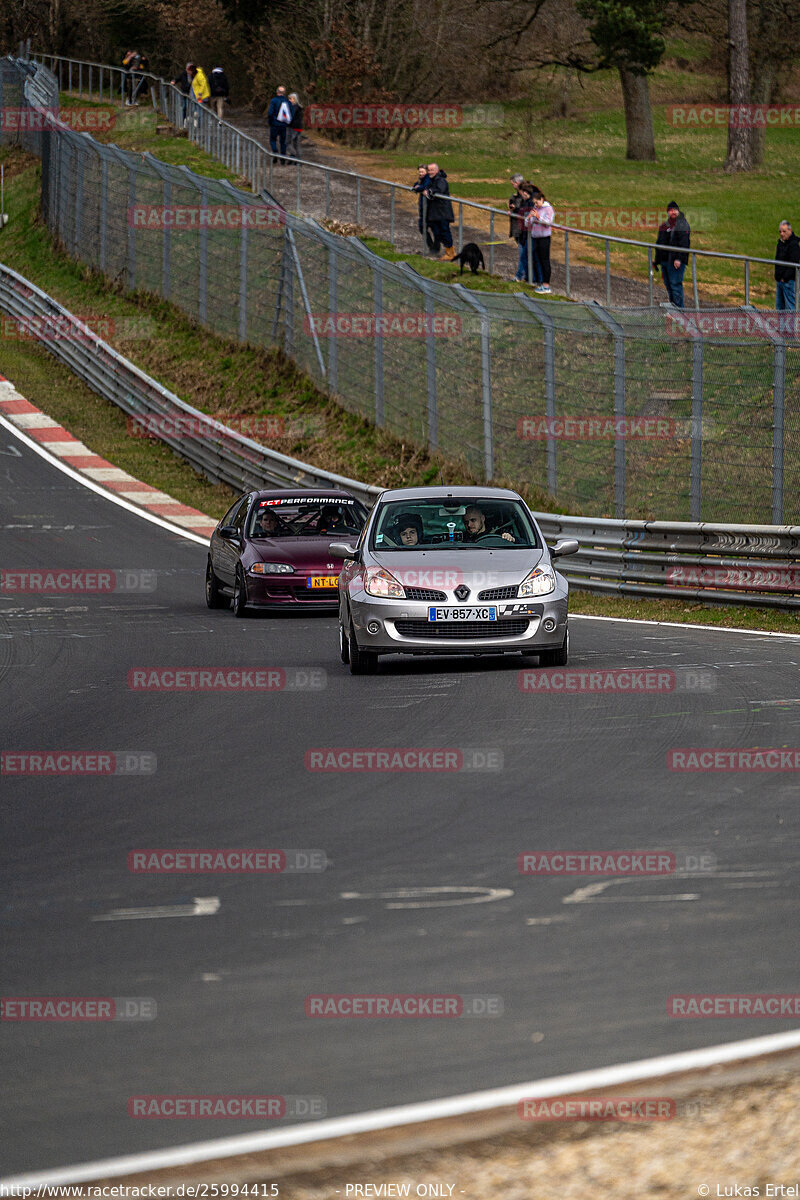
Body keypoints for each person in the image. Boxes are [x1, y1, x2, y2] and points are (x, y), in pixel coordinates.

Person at [655, 201, 691, 308]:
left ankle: (680, 311)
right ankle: (673, 310)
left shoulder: (682, 224)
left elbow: (684, 244)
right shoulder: (665, 226)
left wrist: (679, 259)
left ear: (678, 211)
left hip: (675, 262)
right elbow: (659, 243)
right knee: (669, 286)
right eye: (670, 210)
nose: (673, 212)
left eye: (675, 210)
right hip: (665, 261)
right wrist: (657, 261)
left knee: (675, 286)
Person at [424, 162, 456, 261]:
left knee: (445, 231)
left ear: (437, 170)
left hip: (443, 212)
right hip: (435, 213)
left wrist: (429, 192)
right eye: (428, 170)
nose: (430, 172)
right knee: (437, 232)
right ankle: (448, 251)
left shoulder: (441, 180)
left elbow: (439, 190)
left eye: (432, 170)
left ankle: (451, 253)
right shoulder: (431, 180)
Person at [525, 187, 554, 294]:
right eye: (534, 203)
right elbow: (527, 224)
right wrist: (529, 218)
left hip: (544, 238)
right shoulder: (535, 208)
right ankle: (542, 283)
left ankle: (546, 286)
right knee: (538, 260)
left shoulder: (548, 209)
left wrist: (537, 217)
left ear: (542, 199)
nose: (536, 205)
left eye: (537, 202)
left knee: (545, 261)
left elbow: (548, 223)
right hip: (535, 237)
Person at [515, 183, 541, 285]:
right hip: (525, 233)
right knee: (528, 256)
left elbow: (530, 216)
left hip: (530, 234)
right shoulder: (526, 202)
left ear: (525, 193)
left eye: (521, 193)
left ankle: (533, 278)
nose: (520, 195)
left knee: (528, 256)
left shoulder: (530, 203)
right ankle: (531, 278)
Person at [774, 220, 800, 312]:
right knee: (779, 307)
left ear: (790, 231)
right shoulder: (781, 243)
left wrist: (784, 278)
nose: (781, 234)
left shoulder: (794, 245)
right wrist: (777, 277)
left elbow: (794, 263)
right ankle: (781, 326)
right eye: (780, 231)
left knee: (789, 308)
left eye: (784, 231)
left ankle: (791, 326)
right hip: (780, 280)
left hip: (789, 281)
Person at [413, 166, 439, 254]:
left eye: (422, 172)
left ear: (426, 172)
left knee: (432, 228)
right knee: (422, 228)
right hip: (423, 208)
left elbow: (424, 187)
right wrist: (416, 186)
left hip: (429, 208)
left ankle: (434, 248)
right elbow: (416, 185)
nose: (420, 174)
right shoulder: (422, 179)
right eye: (419, 172)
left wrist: (418, 187)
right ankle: (432, 247)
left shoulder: (427, 179)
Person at [267, 86, 293, 162]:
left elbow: (270, 113)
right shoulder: (287, 102)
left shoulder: (274, 101)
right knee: (283, 142)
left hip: (275, 124)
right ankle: (283, 158)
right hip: (284, 125)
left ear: (277, 92)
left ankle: (275, 153)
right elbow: (291, 112)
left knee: (273, 140)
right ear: (284, 93)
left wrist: (271, 121)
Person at [286, 93, 303, 158]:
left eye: (290, 99)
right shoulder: (299, 107)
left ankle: (293, 154)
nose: (289, 100)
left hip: (293, 127)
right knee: (296, 144)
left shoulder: (294, 107)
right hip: (299, 127)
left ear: (294, 99)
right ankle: (299, 159)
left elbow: (290, 117)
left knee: (287, 142)